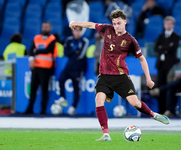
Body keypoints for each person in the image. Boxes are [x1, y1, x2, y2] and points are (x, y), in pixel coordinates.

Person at [69, 10, 170, 141]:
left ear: (125, 22)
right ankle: (106, 134)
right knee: (98, 99)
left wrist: (149, 79)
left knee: (135, 103)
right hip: (104, 76)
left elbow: (142, 59)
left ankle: (153, 114)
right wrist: (75, 23)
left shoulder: (130, 40)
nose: (116, 26)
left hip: (121, 76)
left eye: (119, 23)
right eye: (115, 23)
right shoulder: (107, 29)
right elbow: (91, 25)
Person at [24, 22, 58, 115]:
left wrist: (37, 51)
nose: (45, 28)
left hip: (46, 68)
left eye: (47, 27)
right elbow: (31, 50)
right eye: (43, 27)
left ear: (50, 28)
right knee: (33, 89)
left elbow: (48, 50)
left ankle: (43, 110)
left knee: (44, 90)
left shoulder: (52, 39)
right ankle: (29, 108)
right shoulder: (37, 38)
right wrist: (31, 57)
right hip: (36, 67)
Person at [54, 26, 89, 115]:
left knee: (76, 88)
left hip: (78, 68)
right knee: (61, 79)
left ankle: (73, 107)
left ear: (81, 31)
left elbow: (81, 55)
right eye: (75, 30)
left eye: (78, 31)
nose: (76, 32)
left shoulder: (84, 41)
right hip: (68, 66)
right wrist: (75, 51)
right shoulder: (68, 40)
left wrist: (73, 52)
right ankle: (63, 97)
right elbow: (66, 53)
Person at [154, 16, 180, 114]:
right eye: (166, 23)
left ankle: (169, 110)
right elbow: (156, 48)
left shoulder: (176, 37)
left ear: (173, 25)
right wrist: (167, 47)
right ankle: (161, 111)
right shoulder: (160, 36)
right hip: (161, 66)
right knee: (161, 86)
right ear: (164, 25)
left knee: (170, 87)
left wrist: (163, 48)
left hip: (171, 66)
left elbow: (173, 49)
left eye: (170, 23)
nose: (168, 25)